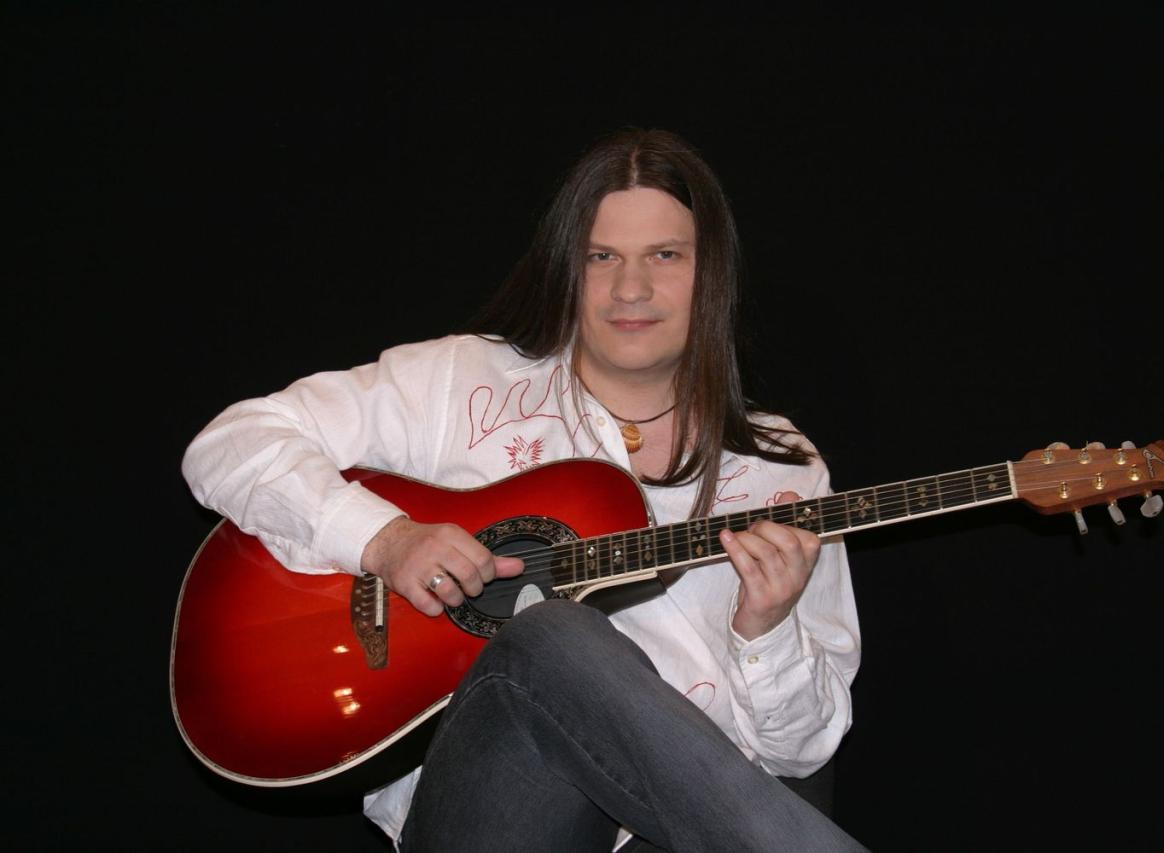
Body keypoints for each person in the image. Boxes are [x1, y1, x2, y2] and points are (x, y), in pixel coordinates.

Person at [183, 128, 865, 852]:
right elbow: (230, 443)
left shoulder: (782, 471)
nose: (630, 289)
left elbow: (803, 754)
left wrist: (768, 631)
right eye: (601, 257)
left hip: (685, 836)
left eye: (664, 255)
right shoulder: (463, 382)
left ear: (712, 273)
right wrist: (384, 539)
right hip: (496, 819)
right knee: (549, 633)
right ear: (566, 269)